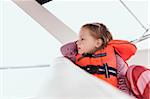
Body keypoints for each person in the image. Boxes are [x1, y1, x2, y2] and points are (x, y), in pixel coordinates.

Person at [61, 22, 149, 98]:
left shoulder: (115, 58)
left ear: (98, 43)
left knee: (134, 70)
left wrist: (123, 96)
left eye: (82, 39)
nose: (77, 42)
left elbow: (122, 78)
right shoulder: (76, 58)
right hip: (92, 94)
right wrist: (78, 44)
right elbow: (65, 50)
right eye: (78, 39)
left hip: (115, 94)